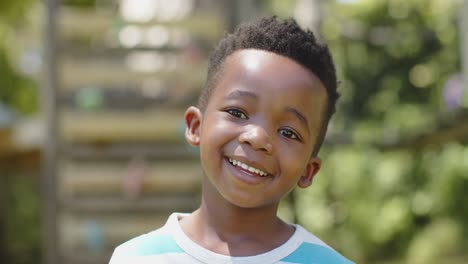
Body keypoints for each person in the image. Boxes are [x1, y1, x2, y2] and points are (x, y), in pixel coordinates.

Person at [109, 16, 353, 264]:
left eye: (289, 132)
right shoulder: (135, 258)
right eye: (237, 113)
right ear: (196, 127)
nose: (257, 138)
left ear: (308, 171)